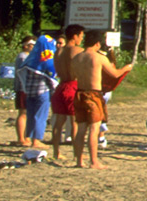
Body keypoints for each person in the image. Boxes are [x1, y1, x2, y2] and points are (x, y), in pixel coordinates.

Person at [72, 31, 133, 169]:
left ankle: (79, 161)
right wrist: (126, 68)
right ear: (98, 43)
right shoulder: (98, 58)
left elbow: (74, 74)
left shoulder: (77, 58)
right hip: (93, 94)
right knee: (94, 128)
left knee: (81, 128)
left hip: (79, 93)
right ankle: (94, 161)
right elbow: (115, 74)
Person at [53, 24, 86, 158]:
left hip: (61, 85)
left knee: (58, 122)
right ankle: (76, 153)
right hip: (72, 85)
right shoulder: (77, 50)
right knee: (74, 123)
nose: (82, 39)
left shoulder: (58, 52)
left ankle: (56, 152)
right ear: (75, 36)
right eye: (81, 36)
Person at [20, 35, 55, 150]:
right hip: (42, 91)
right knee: (41, 116)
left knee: (31, 115)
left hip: (30, 92)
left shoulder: (31, 58)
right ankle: (37, 140)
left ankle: (28, 138)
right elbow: (51, 76)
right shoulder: (46, 59)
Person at [12, 36, 34, 146]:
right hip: (23, 88)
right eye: (32, 45)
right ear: (26, 46)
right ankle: (21, 138)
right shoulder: (23, 57)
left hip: (27, 88)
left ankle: (26, 137)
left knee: (28, 114)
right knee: (23, 113)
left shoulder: (27, 56)